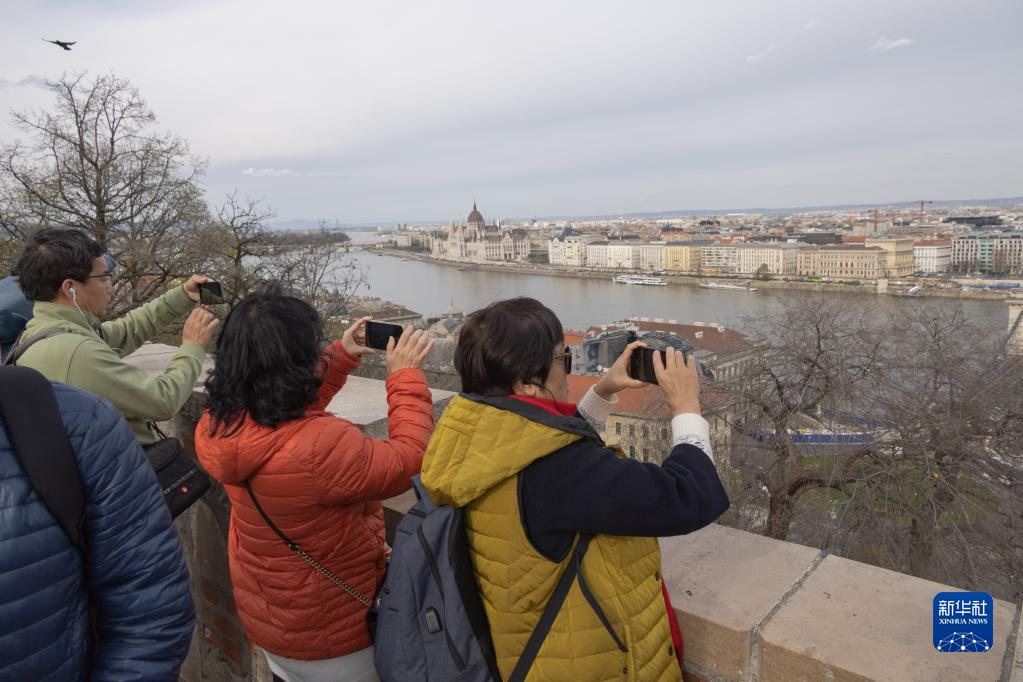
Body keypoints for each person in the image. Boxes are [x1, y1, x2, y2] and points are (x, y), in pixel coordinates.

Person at [419, 297, 730, 681]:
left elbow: (538, 445)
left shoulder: (472, 438)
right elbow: (689, 496)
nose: (567, 369)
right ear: (525, 383)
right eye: (562, 359)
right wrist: (686, 406)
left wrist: (603, 391)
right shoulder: (556, 473)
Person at [194, 284, 436, 682]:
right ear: (298, 359)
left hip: (274, 624)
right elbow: (409, 458)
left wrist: (340, 356)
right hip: (336, 635)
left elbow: (281, 413)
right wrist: (406, 377)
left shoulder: (220, 423)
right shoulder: (319, 446)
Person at [0, 368, 195, 681]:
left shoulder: (49, 350)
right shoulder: (82, 389)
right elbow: (162, 401)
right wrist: (192, 350)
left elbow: (148, 608)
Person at [11, 227, 220, 443]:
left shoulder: (45, 331)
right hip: (125, 470)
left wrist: (182, 296)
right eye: (103, 278)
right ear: (70, 288)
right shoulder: (75, 352)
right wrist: (192, 347)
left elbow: (127, 330)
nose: (109, 287)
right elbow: (162, 400)